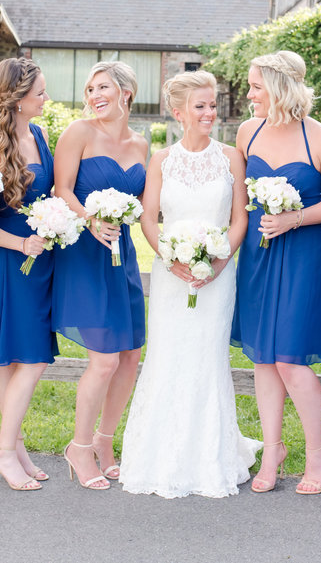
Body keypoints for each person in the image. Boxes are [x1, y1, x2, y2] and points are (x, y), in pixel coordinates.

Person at [120, 71, 261, 497]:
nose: (210, 113)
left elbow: (240, 219)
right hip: (171, 275)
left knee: (206, 356)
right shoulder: (161, 159)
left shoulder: (232, 157)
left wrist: (219, 262)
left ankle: (209, 456)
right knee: (168, 355)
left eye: (213, 104)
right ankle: (158, 455)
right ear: (179, 112)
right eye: (200, 106)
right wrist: (169, 257)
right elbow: (148, 218)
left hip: (219, 275)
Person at [232, 50, 321, 495]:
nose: (249, 95)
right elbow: (237, 197)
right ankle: (272, 449)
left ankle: (319, 450)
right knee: (264, 356)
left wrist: (293, 218)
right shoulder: (248, 132)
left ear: (281, 88)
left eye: (256, 87)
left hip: (302, 255)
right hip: (258, 255)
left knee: (290, 359)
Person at [51, 61, 148, 490]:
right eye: (90, 89)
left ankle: (106, 443)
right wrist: (90, 218)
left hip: (121, 253)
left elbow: (149, 201)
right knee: (105, 359)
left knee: (130, 356)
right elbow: (61, 189)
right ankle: (79, 446)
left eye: (103, 87)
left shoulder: (142, 144)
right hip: (84, 252)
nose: (94, 96)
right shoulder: (79, 132)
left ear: (126, 91)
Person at [0, 57, 57, 491]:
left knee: (13, 360)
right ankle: (4, 451)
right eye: (40, 92)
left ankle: (14, 446)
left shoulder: (39, 133)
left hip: (40, 260)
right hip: (11, 262)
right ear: (19, 99)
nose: (46, 98)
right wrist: (21, 243)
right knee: (35, 356)